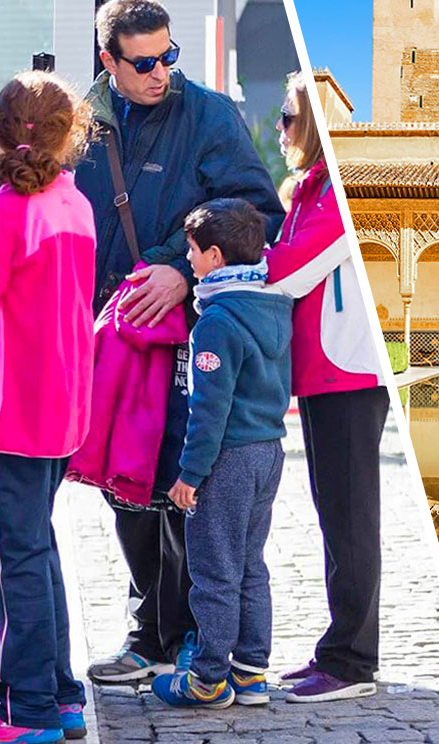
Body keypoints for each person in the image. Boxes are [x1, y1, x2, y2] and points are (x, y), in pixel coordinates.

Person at [75, 0, 285, 685]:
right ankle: (151, 633)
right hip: (109, 334)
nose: (161, 70)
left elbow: (257, 214)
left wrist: (174, 264)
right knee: (121, 482)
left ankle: (189, 637)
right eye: (144, 62)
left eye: (170, 55)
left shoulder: (211, 114)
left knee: (180, 484)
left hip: (185, 333)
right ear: (109, 61)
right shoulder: (85, 120)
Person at [0, 74, 97, 744]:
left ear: (0, 131)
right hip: (62, 401)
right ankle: (58, 694)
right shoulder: (75, 204)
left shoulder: (3, 211)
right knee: (37, 546)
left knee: (17, 554)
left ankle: (26, 708)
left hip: (12, 405)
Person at [263, 75, 390, 702]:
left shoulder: (335, 189)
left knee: (350, 516)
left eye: (287, 118)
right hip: (320, 372)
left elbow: (292, 268)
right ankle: (337, 649)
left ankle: (352, 662)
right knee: (334, 513)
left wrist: (234, 267)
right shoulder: (310, 188)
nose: (281, 129)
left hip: (347, 370)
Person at [152, 199, 292, 709]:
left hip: (228, 456)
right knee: (250, 564)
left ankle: (208, 677)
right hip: (268, 450)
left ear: (213, 255)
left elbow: (208, 409)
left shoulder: (216, 322)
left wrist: (190, 473)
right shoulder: (270, 304)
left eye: (191, 250)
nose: (187, 259)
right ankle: (251, 672)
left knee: (214, 568)